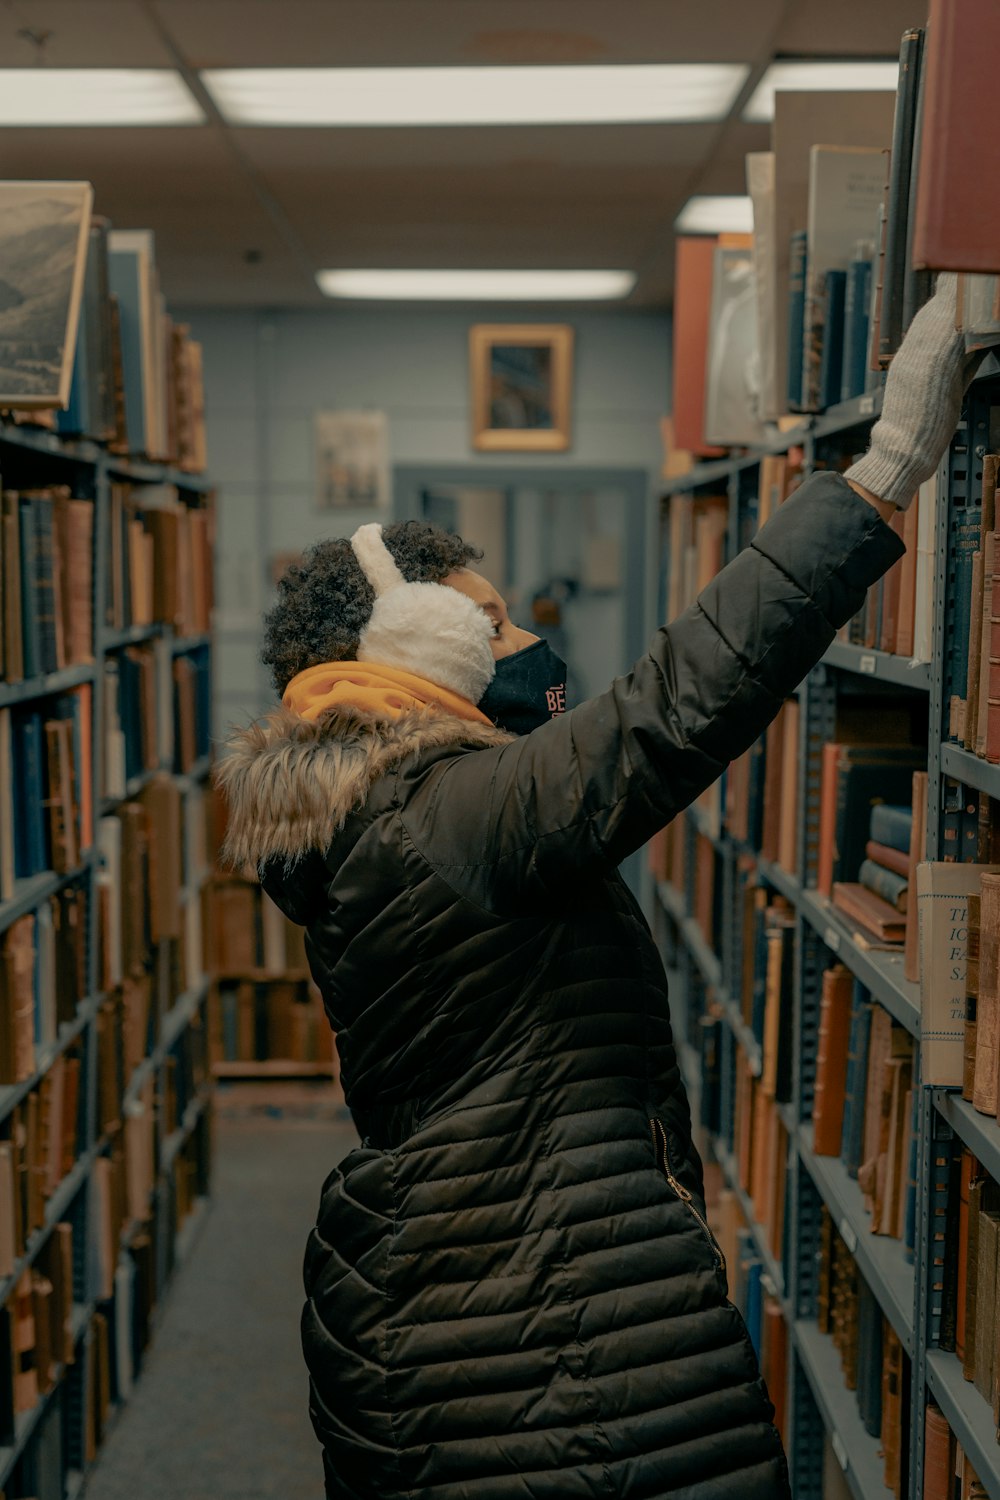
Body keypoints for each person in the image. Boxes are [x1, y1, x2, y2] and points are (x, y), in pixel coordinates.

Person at [218, 274, 976, 1500]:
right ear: (414, 651)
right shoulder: (447, 817)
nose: (523, 648)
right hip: (540, 1337)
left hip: (486, 1300)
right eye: (489, 625)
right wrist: (886, 470)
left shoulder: (372, 815)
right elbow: (669, 711)